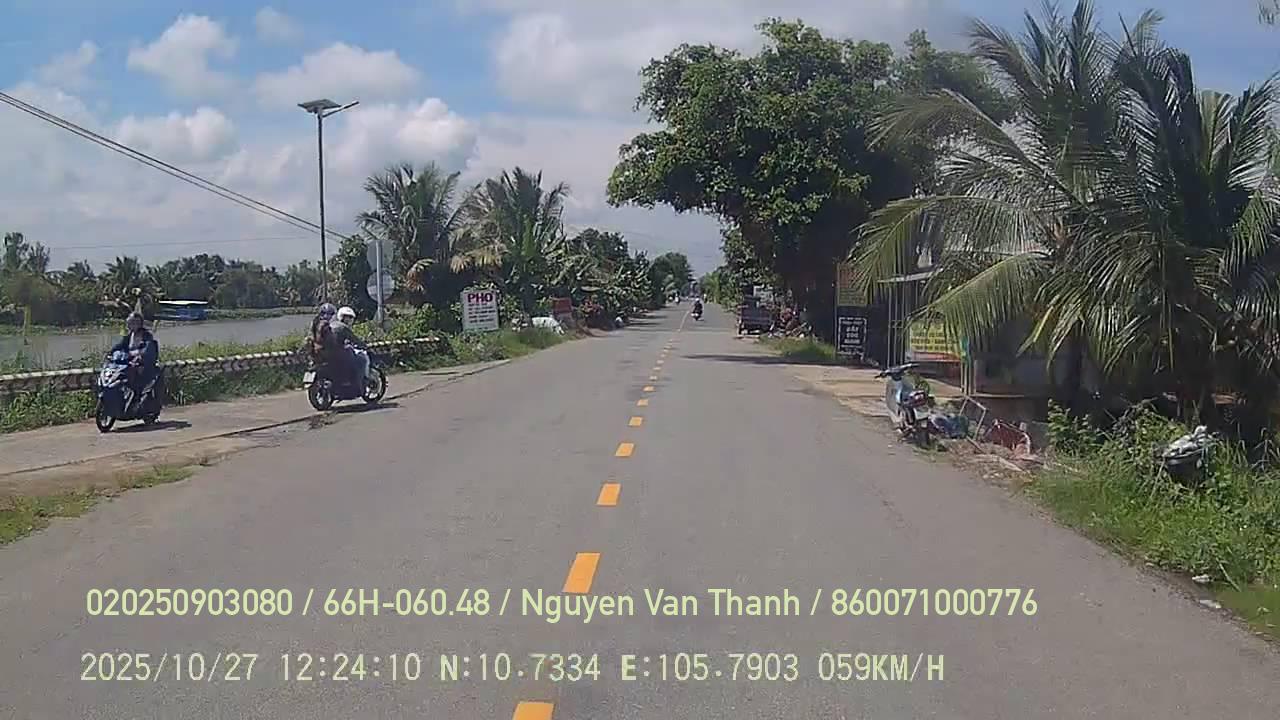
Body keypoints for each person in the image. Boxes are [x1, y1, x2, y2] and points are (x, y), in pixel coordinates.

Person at [111, 312, 158, 412]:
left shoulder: (146, 335)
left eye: (132, 323)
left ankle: (136, 398)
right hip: (130, 361)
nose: (130, 325)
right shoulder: (129, 335)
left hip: (143, 363)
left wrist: (140, 355)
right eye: (129, 323)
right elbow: (120, 345)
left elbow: (147, 348)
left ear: (138, 324)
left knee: (134, 374)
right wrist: (110, 353)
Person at [331, 306, 370, 386]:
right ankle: (359, 383)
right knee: (362, 360)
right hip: (338, 353)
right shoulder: (343, 327)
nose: (350, 320)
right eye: (348, 317)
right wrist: (365, 346)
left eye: (351, 317)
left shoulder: (332, 324)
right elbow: (355, 340)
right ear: (342, 317)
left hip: (329, 352)